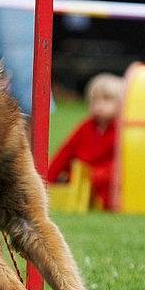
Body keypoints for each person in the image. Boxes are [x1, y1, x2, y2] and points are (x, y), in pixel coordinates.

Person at [47, 73, 125, 210]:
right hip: (80, 180)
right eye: (94, 100)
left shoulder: (121, 131)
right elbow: (65, 153)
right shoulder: (86, 127)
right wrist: (46, 178)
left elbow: (121, 163)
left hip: (106, 185)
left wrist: (96, 175)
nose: (99, 105)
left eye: (106, 100)